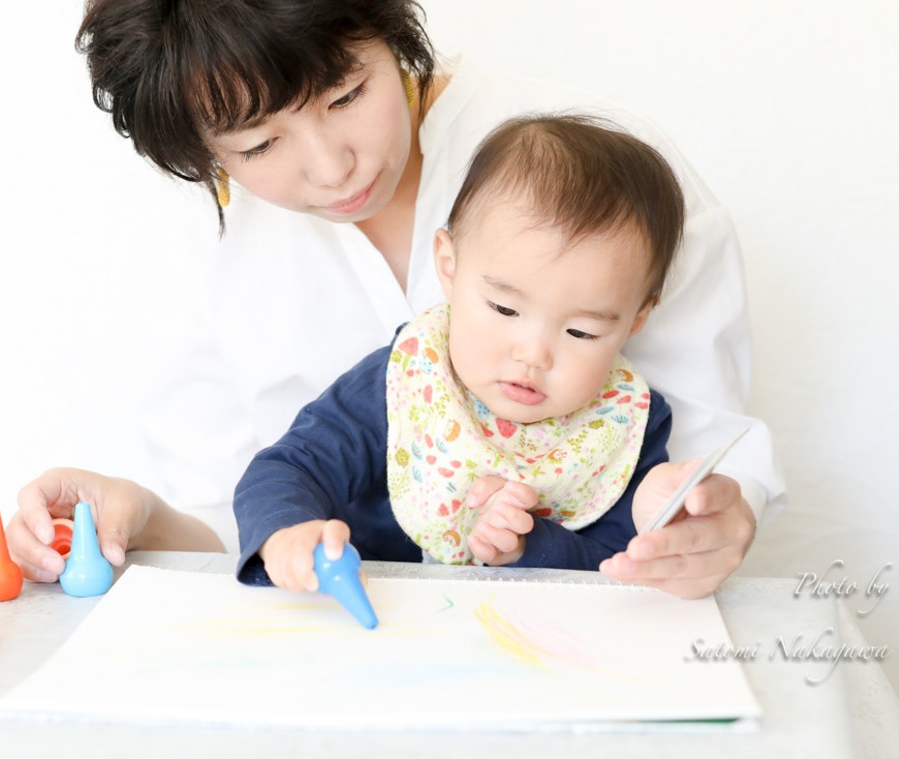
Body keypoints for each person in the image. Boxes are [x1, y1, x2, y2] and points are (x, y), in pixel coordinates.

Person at [8, 0, 785, 599]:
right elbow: (248, 532)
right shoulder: (204, 254)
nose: (331, 167)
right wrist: (141, 518)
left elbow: (698, 469)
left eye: (346, 94)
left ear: (391, 29)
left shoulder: (611, 188)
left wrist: (709, 522)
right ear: (199, 153)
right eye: (257, 146)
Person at [237, 113, 683, 590]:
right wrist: (287, 533)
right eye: (505, 309)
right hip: (376, 615)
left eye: (580, 333)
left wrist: (524, 547)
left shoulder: (625, 423)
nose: (533, 354)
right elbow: (289, 468)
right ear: (449, 266)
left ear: (635, 320)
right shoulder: (408, 378)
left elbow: (617, 567)